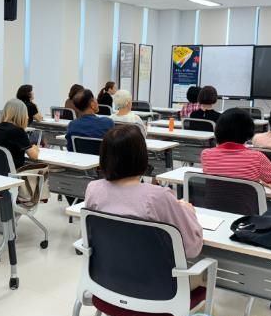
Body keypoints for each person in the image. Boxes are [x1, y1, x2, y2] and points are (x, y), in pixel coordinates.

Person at [84, 125, 203, 292]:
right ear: (141, 156)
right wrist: (189, 212)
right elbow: (191, 248)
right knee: (203, 276)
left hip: (107, 282)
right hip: (155, 290)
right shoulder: (158, 196)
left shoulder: (93, 189)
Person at [201, 108, 271, 196]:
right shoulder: (257, 157)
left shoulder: (206, 154)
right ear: (249, 132)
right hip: (247, 206)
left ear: (218, 130)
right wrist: (268, 185)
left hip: (213, 206)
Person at [0, 99, 49, 204]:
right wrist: (35, 148)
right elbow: (34, 156)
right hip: (14, 174)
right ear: (21, 114)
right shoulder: (18, 131)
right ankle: (32, 197)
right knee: (44, 168)